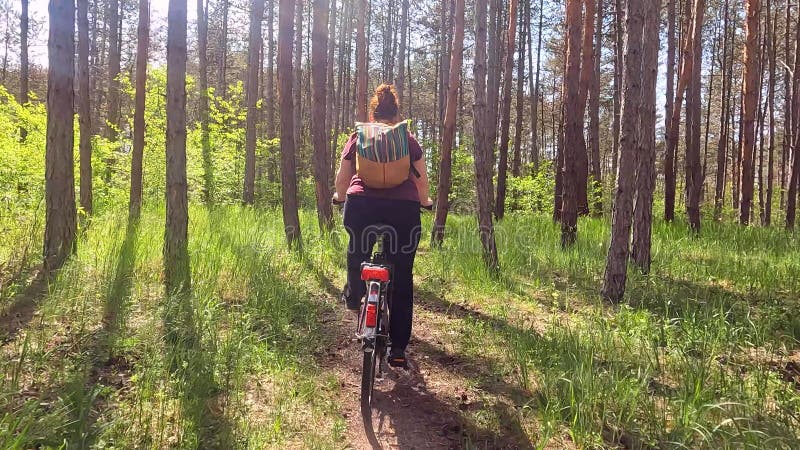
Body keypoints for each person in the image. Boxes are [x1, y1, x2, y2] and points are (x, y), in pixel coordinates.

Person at [333, 83, 433, 369]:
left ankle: (355, 296)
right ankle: (398, 348)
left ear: (373, 115)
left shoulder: (358, 136)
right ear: (397, 114)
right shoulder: (409, 140)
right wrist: (425, 201)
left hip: (362, 205)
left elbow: (343, 176)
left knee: (357, 250)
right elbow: (421, 181)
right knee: (402, 277)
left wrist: (340, 197)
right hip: (403, 210)